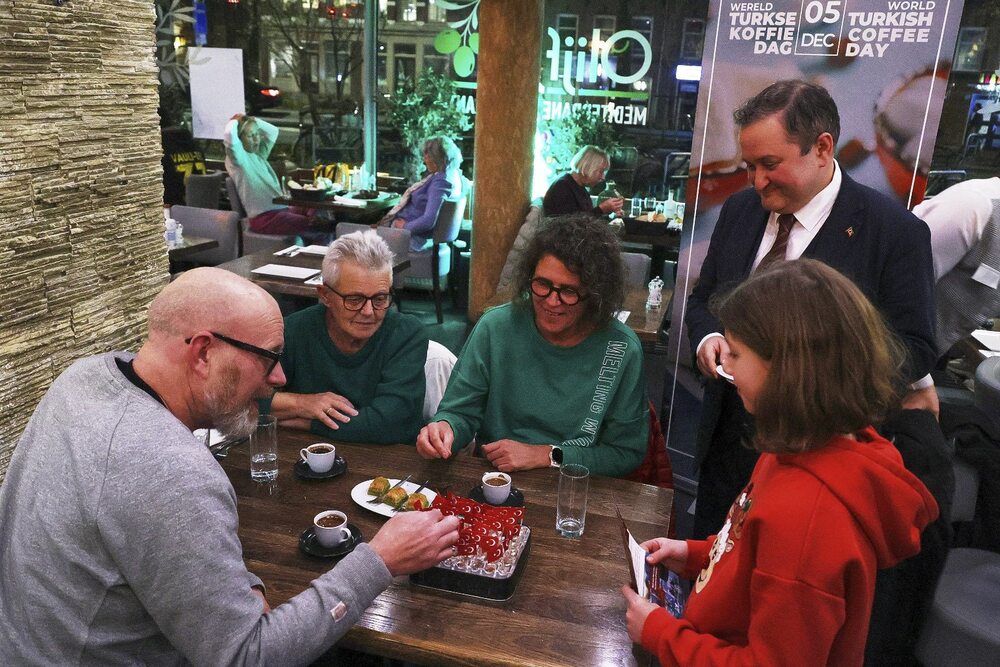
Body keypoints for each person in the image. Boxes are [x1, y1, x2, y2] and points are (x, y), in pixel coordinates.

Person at [0, 268, 460, 664]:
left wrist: (238, 588)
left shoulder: (81, 377)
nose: (279, 379)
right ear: (202, 353)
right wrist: (379, 561)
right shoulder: (172, 470)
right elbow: (247, 656)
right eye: (270, 358)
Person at [623, 259, 939, 665]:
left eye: (736, 354)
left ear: (788, 369)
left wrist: (660, 632)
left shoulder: (808, 519)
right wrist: (694, 553)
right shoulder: (797, 448)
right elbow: (751, 555)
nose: (726, 366)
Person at [685, 79, 938, 538]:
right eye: (749, 165)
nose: (757, 180)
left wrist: (808, 375)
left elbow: (914, 347)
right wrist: (709, 338)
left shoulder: (894, 233)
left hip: (816, 466)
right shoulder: (741, 210)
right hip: (726, 453)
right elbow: (705, 298)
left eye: (769, 164)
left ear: (822, 148)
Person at [416, 214, 648, 476]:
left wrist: (547, 455)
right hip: (496, 479)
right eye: (542, 284)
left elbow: (625, 453)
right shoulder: (496, 326)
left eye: (569, 291)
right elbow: (460, 412)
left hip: (578, 486)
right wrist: (445, 429)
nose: (551, 301)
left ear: (595, 295)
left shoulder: (621, 348)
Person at [270, 230, 428, 444]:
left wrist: (308, 423)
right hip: (305, 456)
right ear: (325, 295)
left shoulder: (407, 334)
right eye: (354, 300)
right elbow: (245, 401)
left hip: (389, 466)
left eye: (380, 298)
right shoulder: (293, 330)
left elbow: (392, 424)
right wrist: (300, 403)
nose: (369, 311)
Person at [912, 176, 1000, 357]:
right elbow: (895, 287)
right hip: (878, 348)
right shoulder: (973, 206)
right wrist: (919, 379)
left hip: (928, 353)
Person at [224, 113, 320, 237]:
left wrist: (252, 120)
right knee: (317, 226)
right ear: (239, 139)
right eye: (250, 135)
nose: (256, 139)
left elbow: (273, 131)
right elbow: (229, 136)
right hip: (265, 218)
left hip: (281, 209)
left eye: (257, 134)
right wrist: (235, 122)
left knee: (317, 212)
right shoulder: (238, 160)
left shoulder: (258, 154)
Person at [380, 136, 463, 252]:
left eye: (427, 155)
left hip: (413, 238)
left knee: (355, 238)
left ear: (438, 158)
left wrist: (404, 227)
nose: (425, 160)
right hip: (410, 234)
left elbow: (428, 220)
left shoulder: (441, 182)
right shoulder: (452, 175)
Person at [542, 145, 624, 217]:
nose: (603, 178)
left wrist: (610, 215)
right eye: (601, 172)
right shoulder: (562, 187)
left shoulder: (579, 187)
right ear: (588, 167)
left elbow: (586, 218)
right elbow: (572, 225)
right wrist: (601, 209)